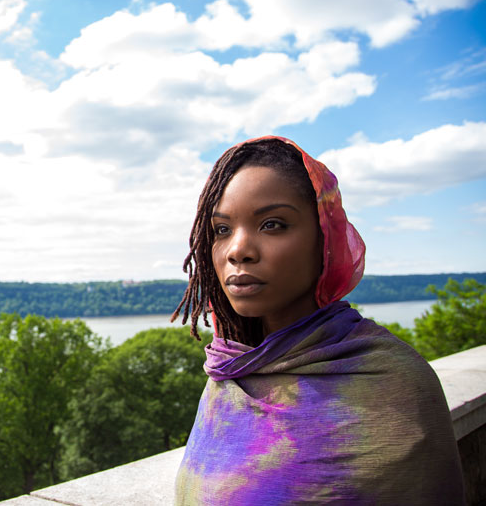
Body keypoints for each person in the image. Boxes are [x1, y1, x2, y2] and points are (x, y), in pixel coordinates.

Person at [171, 136, 465, 504]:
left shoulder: (396, 383)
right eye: (222, 230)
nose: (238, 250)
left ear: (325, 237)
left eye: (273, 224)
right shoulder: (229, 373)